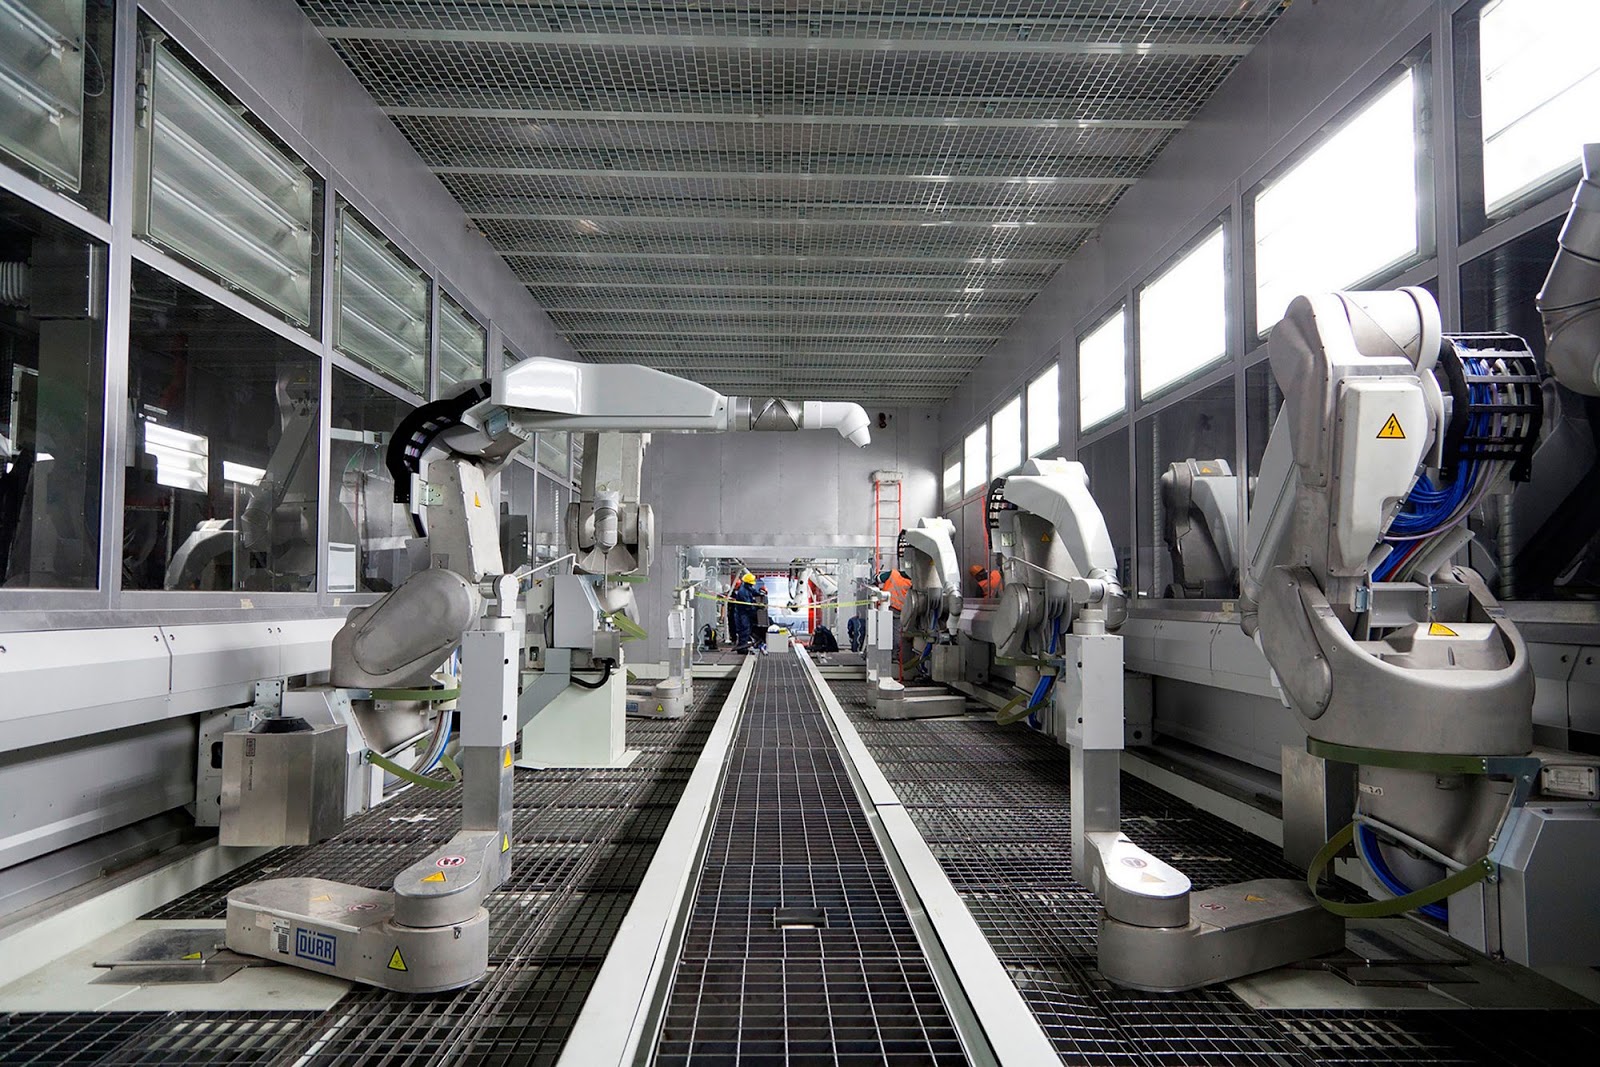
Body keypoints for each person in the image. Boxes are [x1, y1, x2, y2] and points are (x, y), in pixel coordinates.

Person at [729, 572, 759, 651]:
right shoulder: (743, 592)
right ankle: (742, 648)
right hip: (742, 614)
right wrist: (757, 607)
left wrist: (760, 593)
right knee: (744, 630)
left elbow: (753, 592)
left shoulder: (747, 588)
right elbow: (748, 605)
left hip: (744, 613)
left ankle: (742, 646)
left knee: (746, 629)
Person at [750, 582, 771, 654]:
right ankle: (760, 642)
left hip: (761, 619)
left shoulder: (761, 598)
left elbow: (764, 607)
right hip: (758, 620)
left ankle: (761, 642)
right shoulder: (758, 598)